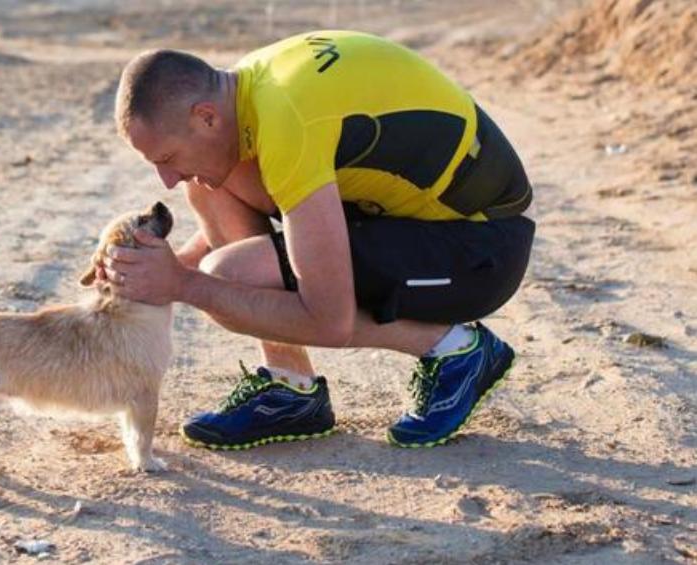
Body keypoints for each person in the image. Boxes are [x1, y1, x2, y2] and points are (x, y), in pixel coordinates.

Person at [100, 30, 535, 450]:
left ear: (205, 116)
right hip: (409, 215)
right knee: (209, 183)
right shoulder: (248, 88)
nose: (167, 180)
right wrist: (161, 265)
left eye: (168, 158)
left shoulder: (288, 122)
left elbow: (330, 320)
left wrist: (185, 285)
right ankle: (292, 388)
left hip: (482, 246)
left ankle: (457, 350)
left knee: (229, 278)